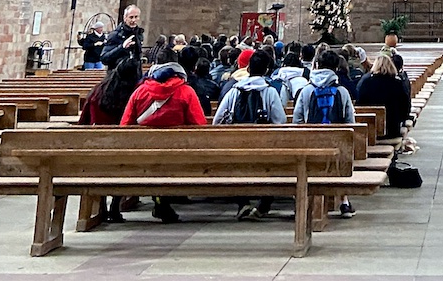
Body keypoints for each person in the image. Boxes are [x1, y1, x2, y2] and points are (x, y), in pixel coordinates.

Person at [120, 62, 206, 223]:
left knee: (155, 163)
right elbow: (199, 124)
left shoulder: (140, 92)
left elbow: (125, 125)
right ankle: (163, 201)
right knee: (168, 163)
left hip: (144, 155)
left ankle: (160, 200)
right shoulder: (186, 92)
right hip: (178, 155)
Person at [213, 50, 287, 220]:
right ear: (267, 70)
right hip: (264, 149)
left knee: (236, 165)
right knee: (275, 165)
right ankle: (264, 204)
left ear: (248, 68)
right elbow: (280, 121)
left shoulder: (234, 91)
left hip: (237, 148)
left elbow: (217, 120)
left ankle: (242, 202)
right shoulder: (269, 92)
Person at [293, 49, 356, 218]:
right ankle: (344, 201)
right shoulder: (342, 91)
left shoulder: (307, 90)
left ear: (318, 65)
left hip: (311, 144)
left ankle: (304, 202)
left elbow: (297, 118)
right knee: (340, 161)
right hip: (336, 145)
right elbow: (350, 121)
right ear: (336, 68)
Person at [78, 58, 142, 222]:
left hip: (98, 144)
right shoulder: (135, 93)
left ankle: (102, 206)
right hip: (125, 145)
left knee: (103, 166)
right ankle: (114, 205)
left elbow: (84, 119)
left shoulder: (99, 90)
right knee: (126, 166)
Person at [357, 54, 412, 141]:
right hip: (392, 129)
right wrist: (399, 120)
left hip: (371, 129)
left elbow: (359, 104)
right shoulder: (397, 83)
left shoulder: (366, 83)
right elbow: (406, 106)